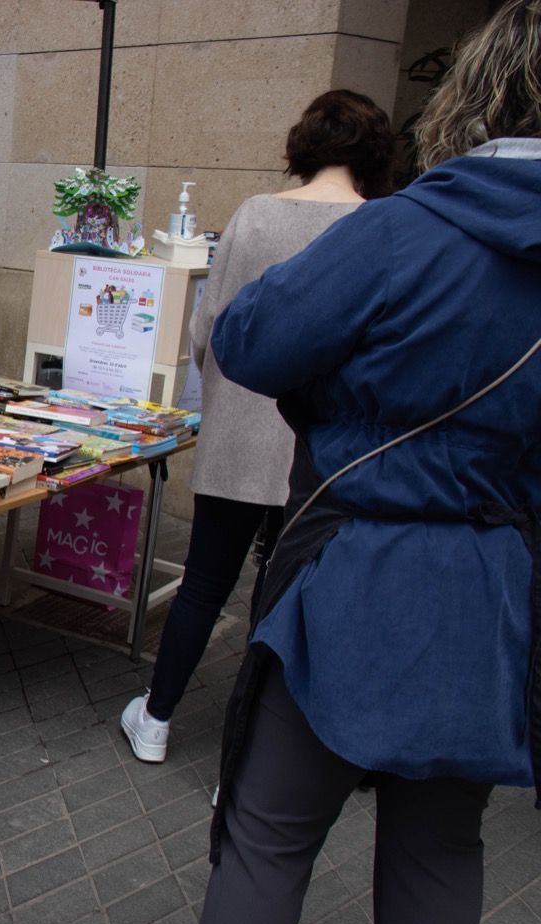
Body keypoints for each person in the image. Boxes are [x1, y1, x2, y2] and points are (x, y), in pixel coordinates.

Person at [72, 3, 541, 924]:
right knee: (438, 848)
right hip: (497, 578)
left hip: (361, 566)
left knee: (269, 830)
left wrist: (345, 405)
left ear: (477, 94)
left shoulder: (408, 227)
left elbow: (252, 337)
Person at [118, 90, 395, 767]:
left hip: (240, 430)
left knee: (206, 583)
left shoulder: (253, 216)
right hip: (323, 449)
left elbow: (210, 330)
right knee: (283, 596)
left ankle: (155, 719)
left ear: (303, 143)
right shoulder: (384, 225)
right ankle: (246, 760)